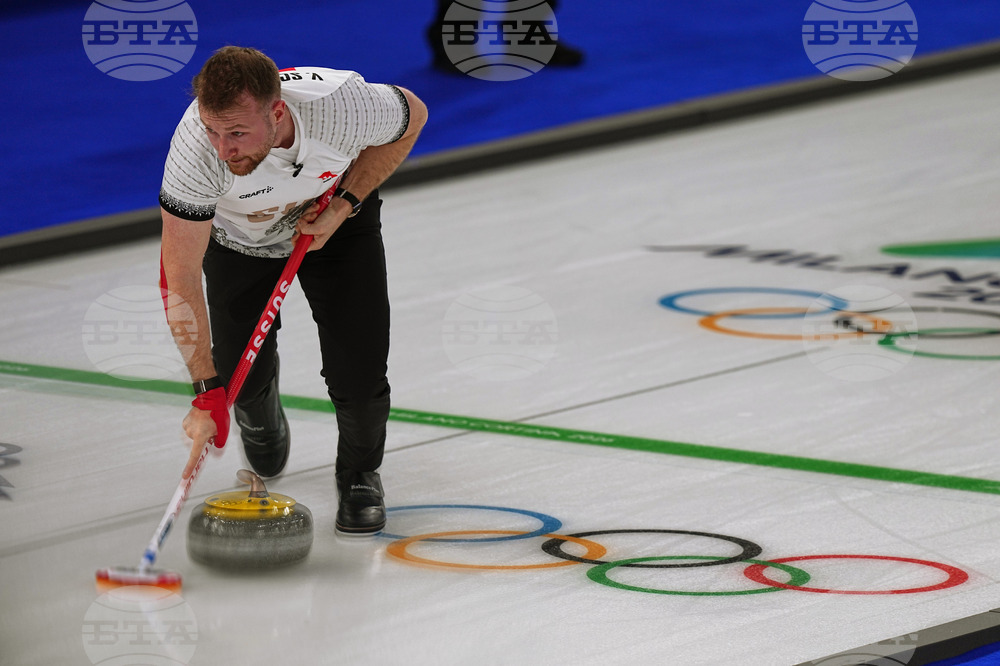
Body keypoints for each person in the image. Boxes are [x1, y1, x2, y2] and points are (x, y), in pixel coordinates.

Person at [159, 46, 427, 534]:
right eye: (213, 131)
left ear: (277, 110)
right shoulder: (196, 156)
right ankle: (259, 413)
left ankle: (360, 473)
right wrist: (204, 390)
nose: (223, 148)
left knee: (360, 376)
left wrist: (344, 203)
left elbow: (414, 116)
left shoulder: (342, 107)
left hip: (335, 227)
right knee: (241, 373)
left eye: (237, 133)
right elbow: (178, 275)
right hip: (240, 242)